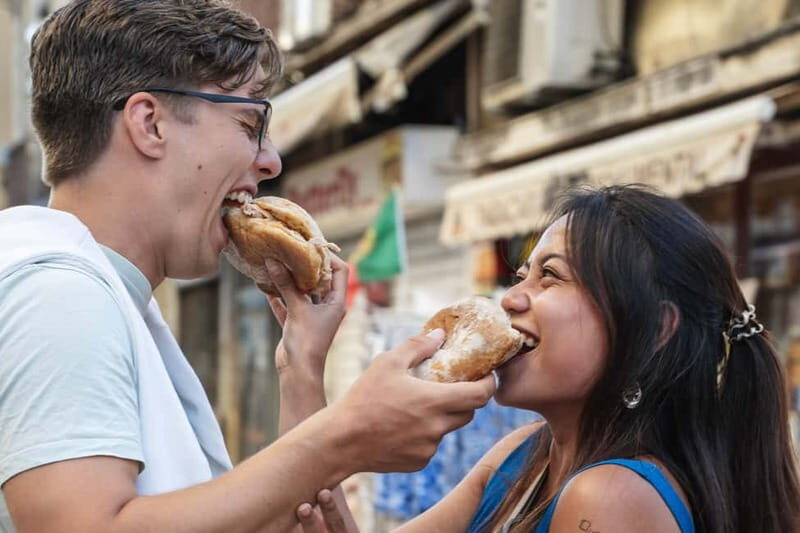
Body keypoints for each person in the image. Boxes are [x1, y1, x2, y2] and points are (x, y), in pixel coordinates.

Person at [0, 1, 496, 531]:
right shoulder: (59, 291)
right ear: (150, 124)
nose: (271, 160)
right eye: (249, 122)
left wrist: (302, 369)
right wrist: (347, 435)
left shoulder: (100, 293)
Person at [296, 185, 800, 533]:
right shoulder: (524, 457)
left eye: (551, 277)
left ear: (654, 331)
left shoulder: (609, 497)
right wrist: (301, 362)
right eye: (521, 277)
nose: (512, 299)